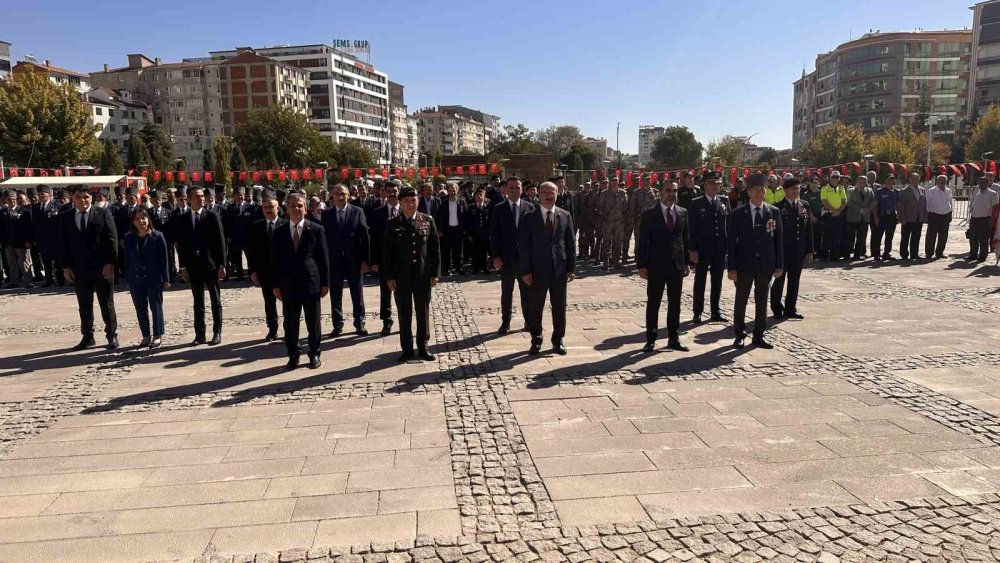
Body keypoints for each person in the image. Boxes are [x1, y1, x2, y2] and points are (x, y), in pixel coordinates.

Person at [271, 193, 329, 370]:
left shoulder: (316, 229)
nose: (296, 209)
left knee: (313, 321)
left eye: (300, 206)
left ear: (305, 208)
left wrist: (325, 283)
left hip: (311, 283)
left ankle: (314, 353)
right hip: (288, 284)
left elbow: (323, 259)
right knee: (290, 322)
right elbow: (275, 260)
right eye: (293, 206)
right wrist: (275, 285)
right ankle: (293, 355)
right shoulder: (279, 231)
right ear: (287, 209)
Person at [382, 186, 440, 362]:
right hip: (402, 277)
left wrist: (435, 273)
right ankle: (407, 349)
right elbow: (386, 253)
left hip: (422, 275)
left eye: (413, 200)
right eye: (406, 201)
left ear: (418, 201)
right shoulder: (393, 223)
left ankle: (423, 347)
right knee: (404, 312)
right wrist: (389, 277)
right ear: (400, 202)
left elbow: (434, 250)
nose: (410, 204)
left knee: (423, 312)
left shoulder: (427, 220)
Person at [518, 181, 576, 356]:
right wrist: (525, 271)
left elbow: (570, 244)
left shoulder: (565, 215)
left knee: (559, 307)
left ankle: (558, 340)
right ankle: (536, 339)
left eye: (552, 192)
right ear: (539, 195)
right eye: (545, 193)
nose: (549, 196)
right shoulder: (529, 217)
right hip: (536, 271)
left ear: (557, 194)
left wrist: (571, 268)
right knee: (535, 306)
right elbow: (524, 246)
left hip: (559, 270)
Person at [60, 185, 119, 350]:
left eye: (86, 196)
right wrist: (65, 267)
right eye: (78, 197)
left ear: (91, 198)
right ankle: (87, 336)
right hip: (79, 269)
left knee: (106, 303)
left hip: (102, 268)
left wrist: (110, 263)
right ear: (72, 198)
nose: (83, 200)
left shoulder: (103, 213)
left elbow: (112, 240)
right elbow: (63, 244)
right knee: (84, 304)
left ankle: (111, 335)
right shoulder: (66, 217)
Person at [728, 174, 783, 349]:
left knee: (762, 300)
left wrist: (779, 264)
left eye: (762, 190)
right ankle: (739, 334)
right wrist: (732, 267)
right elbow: (731, 243)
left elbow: (778, 240)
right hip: (744, 264)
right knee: (741, 300)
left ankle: (759, 335)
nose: (760, 193)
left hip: (765, 265)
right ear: (749, 193)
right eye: (756, 190)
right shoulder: (738, 213)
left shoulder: (773, 212)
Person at [637, 180, 691, 352]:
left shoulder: (682, 212)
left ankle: (673, 338)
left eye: (674, 191)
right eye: (668, 190)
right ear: (660, 192)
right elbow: (642, 242)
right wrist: (642, 265)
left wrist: (686, 262)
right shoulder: (649, 214)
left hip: (676, 265)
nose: (671, 194)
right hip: (655, 265)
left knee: (675, 303)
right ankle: (651, 339)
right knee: (654, 303)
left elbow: (685, 240)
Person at [177, 186, 227, 346]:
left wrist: (222, 264)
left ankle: (217, 332)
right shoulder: (184, 218)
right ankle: (200, 334)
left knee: (215, 299)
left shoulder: (211, 216)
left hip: (210, 264)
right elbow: (182, 245)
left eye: (202, 196)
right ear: (189, 199)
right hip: (193, 265)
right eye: (197, 196)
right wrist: (183, 267)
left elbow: (220, 242)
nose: (201, 199)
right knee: (198, 301)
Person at [321, 183, 370, 337]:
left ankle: (359, 322)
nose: (340, 197)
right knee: (335, 294)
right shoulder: (326, 214)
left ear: (348, 195)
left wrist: (365, 260)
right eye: (336, 194)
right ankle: (337, 324)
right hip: (334, 261)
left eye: (343, 194)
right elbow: (324, 239)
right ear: (332, 197)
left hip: (354, 260)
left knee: (357, 293)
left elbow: (364, 237)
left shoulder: (358, 211)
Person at [491, 177, 535, 334]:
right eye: (511, 188)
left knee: (527, 293)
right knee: (507, 293)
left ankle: (529, 322)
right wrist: (495, 256)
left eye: (517, 187)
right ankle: (505, 323)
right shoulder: (498, 208)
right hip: (506, 259)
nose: (515, 190)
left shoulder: (530, 207)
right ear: (505, 190)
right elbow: (495, 234)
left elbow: (534, 235)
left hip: (525, 260)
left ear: (522, 189)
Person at [124, 207, 170, 348]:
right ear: (133, 222)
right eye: (137, 219)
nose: (141, 221)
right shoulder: (129, 237)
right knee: (140, 308)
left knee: (155, 306)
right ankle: (145, 335)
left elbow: (164, 259)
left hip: (153, 277)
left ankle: (157, 335)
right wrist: (127, 278)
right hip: (136, 278)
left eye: (143, 218)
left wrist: (166, 278)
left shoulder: (157, 236)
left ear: (148, 219)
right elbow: (126, 259)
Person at [688, 171, 729, 324]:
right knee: (700, 280)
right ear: (705, 185)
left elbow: (728, 226)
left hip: (719, 248)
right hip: (702, 249)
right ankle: (697, 311)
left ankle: (715, 311)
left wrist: (728, 247)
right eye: (712, 184)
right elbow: (692, 228)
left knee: (717, 280)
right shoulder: (697, 203)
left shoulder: (724, 201)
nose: (715, 187)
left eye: (718, 184)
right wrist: (692, 249)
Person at [770, 178, 813, 320]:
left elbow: (808, 230)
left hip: (798, 250)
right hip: (782, 251)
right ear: (785, 190)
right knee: (779, 280)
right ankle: (776, 308)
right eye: (793, 189)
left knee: (794, 281)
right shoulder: (777, 207)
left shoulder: (804, 205)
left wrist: (809, 250)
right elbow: (774, 233)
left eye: (798, 189)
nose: (796, 191)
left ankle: (790, 308)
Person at [248, 194, 287, 341]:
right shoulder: (256, 226)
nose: (267, 210)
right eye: (265, 207)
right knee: (269, 302)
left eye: (270, 207)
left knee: (286, 301)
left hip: (283, 270)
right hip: (265, 271)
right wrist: (252, 271)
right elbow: (252, 251)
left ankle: (288, 328)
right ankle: (272, 329)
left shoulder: (286, 224)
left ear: (277, 208)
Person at [369, 182, 402, 335]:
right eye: (388, 191)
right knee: (385, 292)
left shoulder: (405, 211)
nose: (391, 193)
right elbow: (374, 239)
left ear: (399, 192)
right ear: (383, 193)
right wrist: (374, 261)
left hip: (402, 260)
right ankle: (386, 322)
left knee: (403, 292)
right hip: (384, 260)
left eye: (394, 191)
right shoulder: (377, 213)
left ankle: (404, 319)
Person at [29, 185, 63, 286]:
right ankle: (49, 280)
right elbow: (34, 224)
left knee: (57, 261)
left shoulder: (57, 205)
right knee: (46, 261)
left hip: (55, 238)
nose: (41, 196)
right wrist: (34, 238)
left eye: (43, 194)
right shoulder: (35, 207)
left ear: (49, 195)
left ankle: (60, 279)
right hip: (42, 239)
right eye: (39, 195)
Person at [1, 189, 34, 289]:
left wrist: (28, 240)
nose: (12, 201)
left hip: (21, 241)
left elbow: (29, 228)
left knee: (25, 262)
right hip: (8, 242)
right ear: (5, 201)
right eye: (9, 199)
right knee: (11, 263)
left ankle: (28, 281)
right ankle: (14, 281)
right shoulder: (2, 212)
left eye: (13, 199)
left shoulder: (24, 211)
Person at [436, 182, 467, 276]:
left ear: (457, 190)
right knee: (446, 251)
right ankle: (446, 269)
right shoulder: (443, 202)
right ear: (448, 192)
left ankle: (458, 268)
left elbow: (466, 215)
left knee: (458, 250)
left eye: (454, 191)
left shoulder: (462, 201)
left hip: (458, 229)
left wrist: (465, 229)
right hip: (447, 230)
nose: (452, 193)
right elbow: (440, 217)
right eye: (450, 191)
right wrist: (440, 230)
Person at [596, 179, 628, 269]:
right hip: (607, 222)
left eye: (616, 181)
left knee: (618, 242)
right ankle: (606, 262)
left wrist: (621, 215)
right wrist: (605, 215)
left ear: (618, 182)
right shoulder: (604, 193)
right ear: (610, 182)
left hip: (619, 222)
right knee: (606, 242)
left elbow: (626, 206)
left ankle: (616, 261)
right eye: (613, 181)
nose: (614, 182)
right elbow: (599, 207)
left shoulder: (623, 193)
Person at [968, 175, 1000, 262]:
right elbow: (974, 205)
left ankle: (982, 256)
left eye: (983, 182)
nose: (981, 184)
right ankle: (973, 255)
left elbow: (995, 208)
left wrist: (992, 220)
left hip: (985, 219)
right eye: (980, 182)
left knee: (983, 240)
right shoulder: (977, 192)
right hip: (974, 218)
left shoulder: (993, 193)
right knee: (973, 238)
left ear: (987, 183)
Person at [845, 175, 876, 260]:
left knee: (861, 238)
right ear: (856, 182)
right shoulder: (850, 191)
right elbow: (849, 202)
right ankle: (847, 255)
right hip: (852, 218)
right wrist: (860, 210)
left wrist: (867, 210)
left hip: (864, 218)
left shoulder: (869, 190)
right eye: (860, 182)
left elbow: (873, 202)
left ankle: (857, 255)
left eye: (864, 182)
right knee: (850, 238)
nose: (862, 184)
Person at [897, 172, 927, 260]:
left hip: (919, 218)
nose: (915, 180)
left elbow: (924, 204)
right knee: (905, 237)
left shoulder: (922, 190)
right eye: (913, 179)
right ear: (909, 179)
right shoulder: (904, 191)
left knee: (916, 237)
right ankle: (904, 254)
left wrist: (925, 216)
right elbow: (901, 206)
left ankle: (914, 254)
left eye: (917, 179)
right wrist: (901, 217)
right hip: (908, 218)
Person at [870, 174, 899, 261]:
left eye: (892, 179)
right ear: (885, 181)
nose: (890, 181)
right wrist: (875, 217)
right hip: (882, 216)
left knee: (889, 236)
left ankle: (886, 253)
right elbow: (875, 205)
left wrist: (898, 215)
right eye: (888, 179)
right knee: (878, 236)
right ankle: (876, 254)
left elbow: (898, 204)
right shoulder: (879, 191)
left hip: (892, 216)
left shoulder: (896, 191)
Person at [924, 175, 953, 260]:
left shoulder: (949, 191)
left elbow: (951, 203)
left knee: (943, 236)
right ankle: (929, 253)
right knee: (931, 236)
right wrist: (926, 215)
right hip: (934, 215)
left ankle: (939, 253)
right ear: (936, 181)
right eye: (940, 180)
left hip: (946, 216)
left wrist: (950, 213)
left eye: (944, 180)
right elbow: (927, 203)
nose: (942, 181)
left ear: (946, 181)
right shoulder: (931, 191)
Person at [820, 171, 847, 261]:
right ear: (830, 178)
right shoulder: (825, 188)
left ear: (839, 178)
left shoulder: (841, 188)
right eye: (833, 177)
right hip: (828, 214)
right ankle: (824, 255)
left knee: (837, 236)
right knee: (826, 236)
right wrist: (834, 210)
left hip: (838, 215)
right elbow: (824, 201)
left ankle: (834, 255)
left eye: (837, 177)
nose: (835, 179)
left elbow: (844, 201)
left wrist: (839, 211)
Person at [465, 187, 492, 275]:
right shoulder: (471, 207)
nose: (479, 196)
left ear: (484, 196)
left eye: (481, 195)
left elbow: (491, 220)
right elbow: (468, 221)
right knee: (476, 251)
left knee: (484, 252)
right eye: (477, 195)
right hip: (475, 233)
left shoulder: (488, 207)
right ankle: (476, 268)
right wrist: (469, 233)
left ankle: (485, 267)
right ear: (475, 196)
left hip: (485, 233)